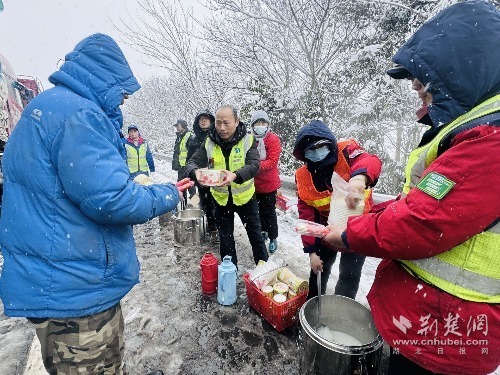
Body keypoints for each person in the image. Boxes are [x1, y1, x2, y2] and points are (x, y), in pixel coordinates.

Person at [323, 2, 500, 374]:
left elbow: (421, 220)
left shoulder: (490, 144)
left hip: (447, 334)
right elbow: (419, 207)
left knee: (349, 275)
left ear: (465, 71)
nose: (417, 86)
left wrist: (359, 182)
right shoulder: (471, 134)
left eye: (425, 78)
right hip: (428, 320)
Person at [0, 34, 189, 375]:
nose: (123, 100)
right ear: (103, 76)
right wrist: (168, 193)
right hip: (76, 292)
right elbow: (112, 200)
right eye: (121, 91)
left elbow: (88, 187)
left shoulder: (52, 107)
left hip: (62, 280)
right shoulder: (78, 115)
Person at [292, 120, 382, 300]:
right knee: (319, 272)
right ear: (304, 154)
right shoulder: (303, 177)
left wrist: (359, 180)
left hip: (356, 233)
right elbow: (306, 216)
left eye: (321, 146)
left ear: (330, 144)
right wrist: (311, 252)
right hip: (327, 234)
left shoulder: (346, 152)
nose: (317, 153)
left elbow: (369, 160)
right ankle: (313, 306)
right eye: (311, 150)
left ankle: (341, 313)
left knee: (349, 277)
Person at [185, 105, 269, 268]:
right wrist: (196, 173)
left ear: (236, 121)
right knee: (226, 240)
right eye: (218, 123)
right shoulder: (209, 142)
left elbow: (254, 165)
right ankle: (230, 274)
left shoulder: (247, 139)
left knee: (256, 238)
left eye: (226, 123)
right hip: (221, 200)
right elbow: (191, 163)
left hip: (246, 199)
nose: (222, 128)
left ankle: (264, 274)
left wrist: (235, 175)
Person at [250, 109, 282, 254]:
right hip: (254, 185)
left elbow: (272, 161)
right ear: (252, 125)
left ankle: (273, 238)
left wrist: (253, 166)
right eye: (257, 122)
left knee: (269, 212)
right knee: (257, 212)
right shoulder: (249, 139)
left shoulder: (272, 139)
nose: (260, 125)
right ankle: (263, 232)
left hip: (269, 184)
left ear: (268, 124)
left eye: (263, 122)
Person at [188, 109, 218, 241]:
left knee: (217, 203)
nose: (204, 121)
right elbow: (190, 159)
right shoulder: (194, 140)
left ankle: (219, 227)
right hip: (201, 177)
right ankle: (211, 227)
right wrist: (193, 174)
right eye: (201, 119)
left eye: (206, 119)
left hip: (216, 176)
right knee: (205, 202)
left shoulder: (216, 137)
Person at [172, 119, 195, 207]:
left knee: (191, 188)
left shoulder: (190, 136)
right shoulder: (179, 136)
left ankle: (194, 206)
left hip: (188, 167)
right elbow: (177, 152)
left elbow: (192, 152)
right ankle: (184, 206)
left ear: (183, 126)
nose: (177, 128)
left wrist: (191, 165)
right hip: (181, 167)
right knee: (182, 188)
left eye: (178, 126)